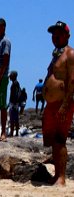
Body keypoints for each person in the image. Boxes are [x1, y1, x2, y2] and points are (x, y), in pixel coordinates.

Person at [42, 21, 74, 186]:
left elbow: (72, 81)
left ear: (67, 35)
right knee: (53, 139)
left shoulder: (70, 54)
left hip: (62, 104)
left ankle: (61, 178)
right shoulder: (56, 54)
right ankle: (56, 176)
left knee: (60, 139)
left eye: (60, 33)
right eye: (54, 34)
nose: (56, 36)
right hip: (52, 105)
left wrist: (65, 105)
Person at [8, 71, 21, 137]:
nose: (9, 77)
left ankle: (12, 133)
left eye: (10, 75)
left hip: (13, 104)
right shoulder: (16, 83)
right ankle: (15, 133)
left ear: (13, 76)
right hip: (15, 103)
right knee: (16, 119)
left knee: (12, 119)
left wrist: (12, 103)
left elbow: (14, 94)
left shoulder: (15, 84)